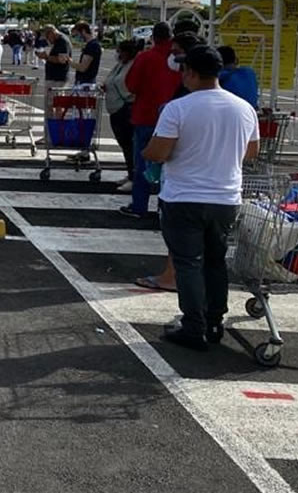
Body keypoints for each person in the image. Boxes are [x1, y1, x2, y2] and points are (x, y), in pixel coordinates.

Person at [141, 45, 259, 350]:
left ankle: (194, 325)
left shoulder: (178, 108)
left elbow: (159, 151)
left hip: (184, 196)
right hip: (226, 197)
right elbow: (251, 152)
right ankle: (215, 320)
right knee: (216, 261)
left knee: (188, 262)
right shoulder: (243, 108)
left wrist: (147, 152)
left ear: (190, 73)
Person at [122, 22, 182, 218]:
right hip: (176, 118)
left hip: (146, 115)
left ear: (153, 37)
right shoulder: (180, 60)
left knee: (143, 162)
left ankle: (139, 205)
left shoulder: (146, 58)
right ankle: (164, 206)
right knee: (172, 164)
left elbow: (131, 85)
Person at [103, 39, 140, 194]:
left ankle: (134, 177)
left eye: (120, 51)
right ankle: (130, 173)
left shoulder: (134, 65)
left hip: (125, 108)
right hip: (115, 109)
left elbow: (130, 87)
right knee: (124, 145)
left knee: (130, 145)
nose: (117, 54)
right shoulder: (120, 65)